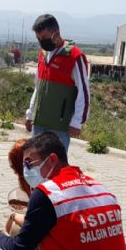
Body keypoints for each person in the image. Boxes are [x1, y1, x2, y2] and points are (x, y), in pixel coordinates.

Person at [25, 14, 90, 151]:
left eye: (44, 38)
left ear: (56, 33)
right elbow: (38, 87)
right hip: (39, 123)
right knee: (36, 165)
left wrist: (77, 122)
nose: (41, 41)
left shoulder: (74, 56)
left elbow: (84, 92)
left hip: (59, 127)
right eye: (38, 38)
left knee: (56, 167)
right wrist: (30, 113)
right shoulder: (43, 54)